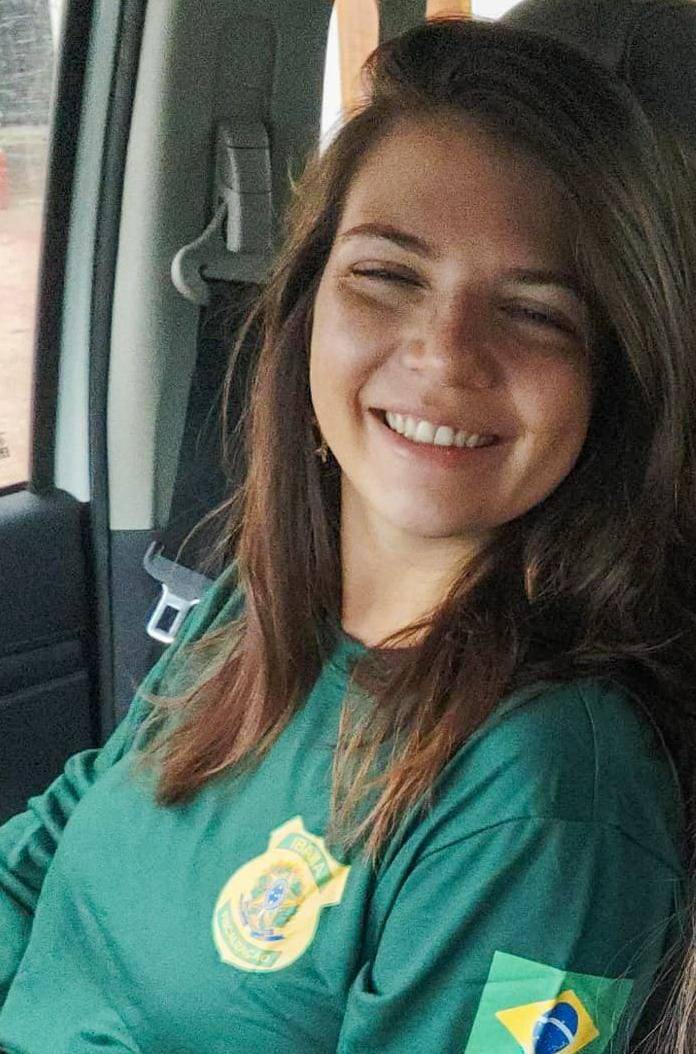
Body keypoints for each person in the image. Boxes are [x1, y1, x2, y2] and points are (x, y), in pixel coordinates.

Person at [1, 16, 695, 1054]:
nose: (445, 353)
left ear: (616, 378)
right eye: (388, 275)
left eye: (537, 312)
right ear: (306, 308)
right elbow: (51, 849)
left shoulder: (548, 798)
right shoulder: (259, 600)